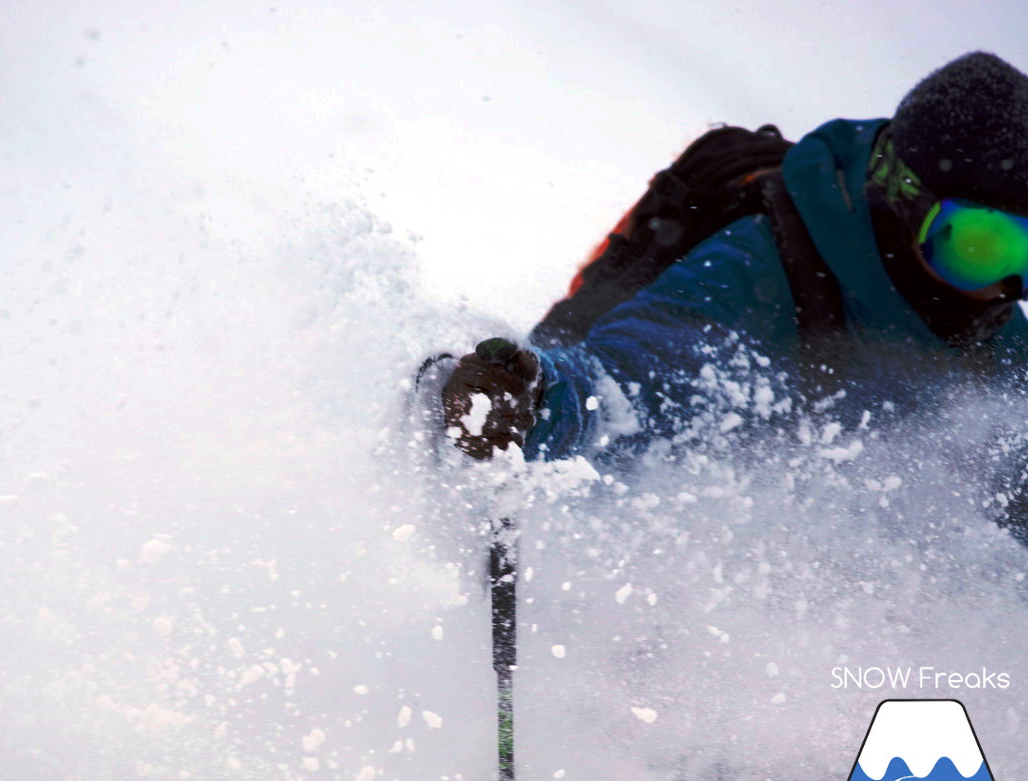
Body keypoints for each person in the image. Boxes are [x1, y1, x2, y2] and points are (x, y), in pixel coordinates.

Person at [441, 51, 1028, 538]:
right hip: (648, 582)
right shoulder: (762, 274)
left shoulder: (1000, 343)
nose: (1007, 287)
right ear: (903, 198)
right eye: (982, 246)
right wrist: (539, 406)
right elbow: (629, 391)